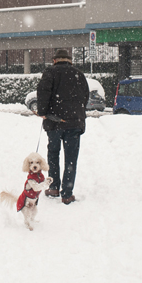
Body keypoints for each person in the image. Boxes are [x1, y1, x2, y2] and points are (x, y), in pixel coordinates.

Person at [36, 49, 89, 205]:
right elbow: (85, 96)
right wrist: (76, 112)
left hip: (54, 123)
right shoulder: (79, 74)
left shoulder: (49, 73)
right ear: (70, 61)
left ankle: (53, 187)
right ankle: (67, 193)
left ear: (54, 60)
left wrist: (43, 112)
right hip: (73, 123)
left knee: (53, 154)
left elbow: (43, 93)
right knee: (71, 158)